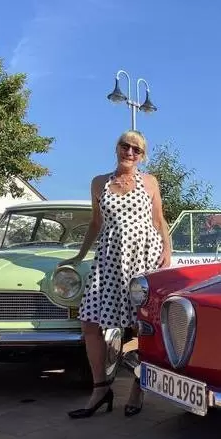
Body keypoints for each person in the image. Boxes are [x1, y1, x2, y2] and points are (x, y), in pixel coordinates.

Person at [58, 130, 172, 419]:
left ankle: (138, 385)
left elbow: (159, 220)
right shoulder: (99, 183)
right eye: (126, 146)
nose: (130, 152)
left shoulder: (150, 182)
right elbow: (96, 224)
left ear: (142, 155)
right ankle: (101, 388)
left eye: (137, 149)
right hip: (109, 259)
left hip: (143, 258)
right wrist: (80, 255)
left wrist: (167, 253)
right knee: (89, 322)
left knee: (143, 326)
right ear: (117, 147)